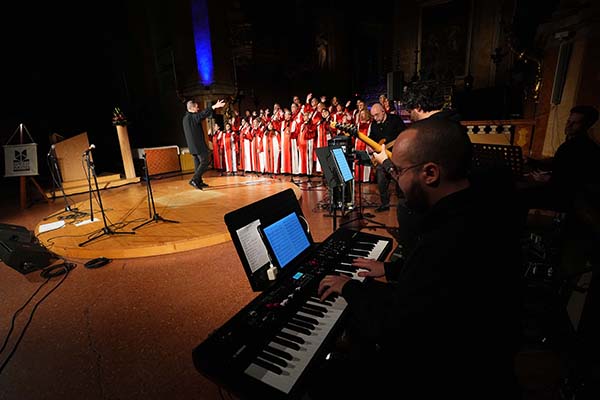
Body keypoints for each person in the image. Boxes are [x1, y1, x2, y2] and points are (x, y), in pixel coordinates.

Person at [314, 119, 524, 399]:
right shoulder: (478, 208)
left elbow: (397, 328)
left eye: (399, 171)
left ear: (430, 173)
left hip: (446, 374)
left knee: (324, 377)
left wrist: (349, 287)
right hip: (478, 356)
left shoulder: (448, 238)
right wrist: (392, 269)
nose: (396, 180)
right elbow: (437, 287)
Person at [369, 102, 406, 212]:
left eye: (377, 115)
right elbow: (371, 138)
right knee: (381, 180)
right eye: (373, 116)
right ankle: (385, 204)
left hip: (397, 155)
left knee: (399, 181)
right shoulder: (374, 124)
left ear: (383, 111)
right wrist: (370, 146)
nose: (375, 118)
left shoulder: (395, 120)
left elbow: (404, 134)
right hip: (382, 157)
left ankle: (403, 205)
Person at [182, 98, 226, 190]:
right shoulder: (193, 117)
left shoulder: (185, 118)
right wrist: (214, 106)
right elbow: (203, 114)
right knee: (206, 161)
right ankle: (194, 179)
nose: (198, 109)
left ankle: (199, 181)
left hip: (192, 146)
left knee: (197, 164)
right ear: (193, 108)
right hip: (198, 145)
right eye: (197, 107)